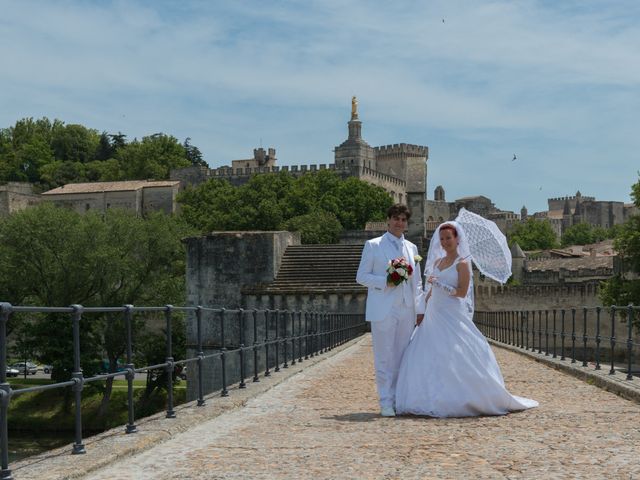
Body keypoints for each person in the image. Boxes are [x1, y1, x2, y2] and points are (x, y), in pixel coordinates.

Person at [395, 222, 538, 417]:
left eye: (448, 238)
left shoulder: (463, 264)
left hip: (451, 312)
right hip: (434, 313)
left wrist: (440, 285)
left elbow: (462, 292)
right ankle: (425, 395)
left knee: (456, 351)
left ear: (457, 239)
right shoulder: (437, 263)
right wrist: (422, 310)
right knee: (425, 352)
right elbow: (429, 292)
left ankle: (465, 397)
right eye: (442, 238)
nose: (445, 242)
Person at [356, 204, 425, 417]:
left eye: (403, 220)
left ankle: (399, 399)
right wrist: (386, 281)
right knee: (384, 357)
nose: (399, 223)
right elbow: (361, 277)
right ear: (388, 220)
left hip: (406, 308)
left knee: (402, 357)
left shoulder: (412, 248)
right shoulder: (373, 245)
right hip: (383, 308)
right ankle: (386, 401)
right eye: (396, 218)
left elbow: (418, 283)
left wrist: (420, 308)